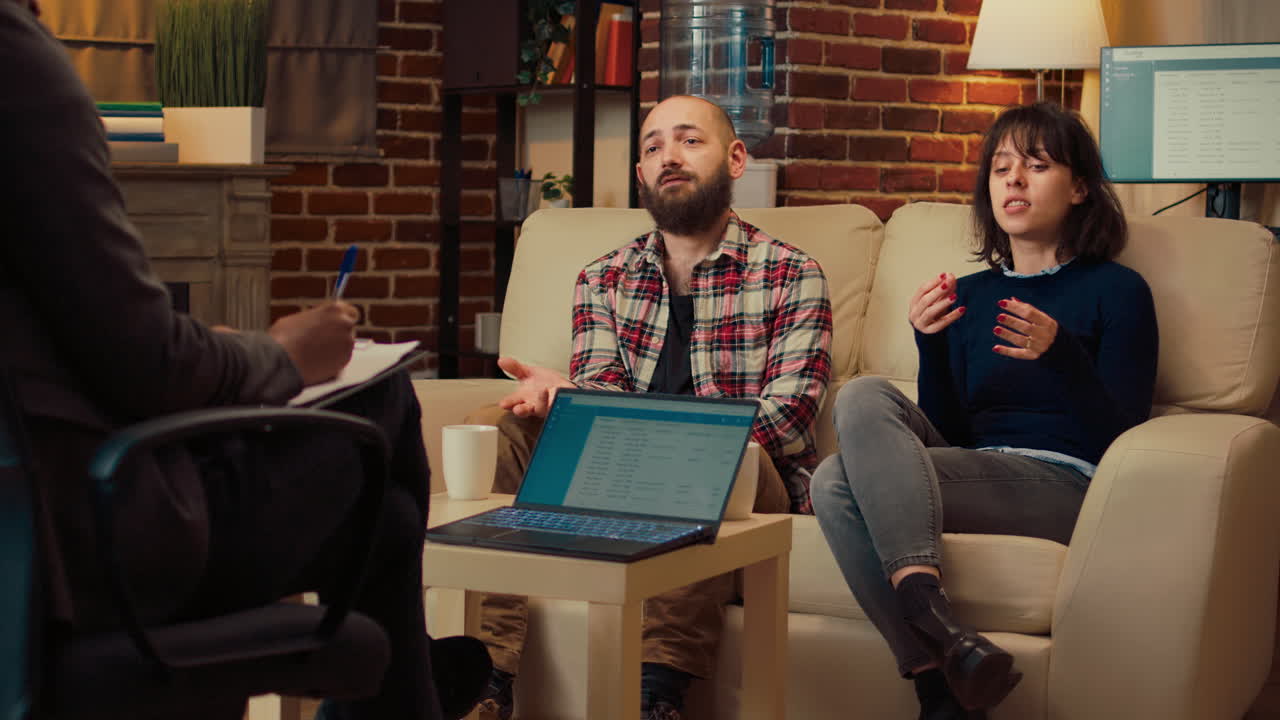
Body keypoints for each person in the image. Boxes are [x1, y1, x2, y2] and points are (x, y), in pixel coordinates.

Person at [0, 4, 487, 719]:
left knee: (386, 520)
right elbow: (150, 367)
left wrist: (216, 348)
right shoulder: (14, 58)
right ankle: (414, 691)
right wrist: (284, 353)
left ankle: (412, 686)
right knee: (379, 404)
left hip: (42, 519)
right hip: (83, 543)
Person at [466, 95, 833, 720]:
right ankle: (485, 680)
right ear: (641, 173)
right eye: (653, 146)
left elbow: (788, 418)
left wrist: (661, 432)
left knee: (710, 455)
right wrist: (567, 398)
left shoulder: (792, 274)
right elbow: (603, 393)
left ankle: (656, 694)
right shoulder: (603, 277)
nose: (669, 157)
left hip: (746, 478)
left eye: (689, 140)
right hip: (625, 467)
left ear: (735, 159)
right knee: (501, 427)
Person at [811, 101, 1159, 720]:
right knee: (855, 414)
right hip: (977, 469)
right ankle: (942, 663)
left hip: (1066, 483)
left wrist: (1062, 357)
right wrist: (930, 342)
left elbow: (1124, 436)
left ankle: (930, 654)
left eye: (1037, 165)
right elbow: (953, 434)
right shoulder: (967, 296)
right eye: (1001, 168)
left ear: (1080, 188)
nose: (1014, 180)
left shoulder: (1117, 290)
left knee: (838, 481)